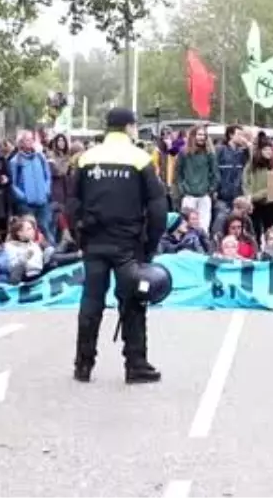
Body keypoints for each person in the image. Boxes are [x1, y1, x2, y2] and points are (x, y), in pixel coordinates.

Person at [66, 108, 168, 385]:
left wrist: (80, 238)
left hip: (94, 241)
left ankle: (83, 365)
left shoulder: (86, 158)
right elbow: (158, 207)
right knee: (133, 301)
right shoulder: (140, 158)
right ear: (130, 127)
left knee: (91, 301)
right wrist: (150, 245)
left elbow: (72, 203)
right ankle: (136, 364)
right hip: (128, 243)